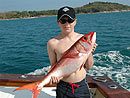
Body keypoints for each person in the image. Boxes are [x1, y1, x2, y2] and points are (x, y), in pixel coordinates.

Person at [47, 6, 97, 98]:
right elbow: (54, 66)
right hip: (63, 87)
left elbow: (89, 67)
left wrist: (89, 51)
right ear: (58, 22)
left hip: (81, 86)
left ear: (75, 22)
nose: (67, 24)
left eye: (70, 20)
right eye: (63, 21)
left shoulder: (83, 39)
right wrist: (54, 78)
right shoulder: (52, 43)